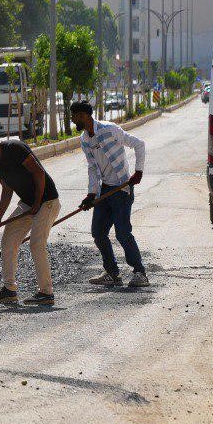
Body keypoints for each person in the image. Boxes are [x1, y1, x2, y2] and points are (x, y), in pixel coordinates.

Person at [0, 124, 61, 306]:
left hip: (47, 201)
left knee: (36, 244)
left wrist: (36, 204)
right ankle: (9, 290)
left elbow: (39, 173)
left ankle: (46, 292)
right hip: (27, 204)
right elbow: (7, 190)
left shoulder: (15, 148)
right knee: (9, 239)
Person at [69, 101, 149, 287]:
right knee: (98, 233)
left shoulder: (110, 130)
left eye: (74, 116)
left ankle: (140, 273)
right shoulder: (85, 140)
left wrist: (138, 171)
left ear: (84, 115)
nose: (72, 120)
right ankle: (112, 273)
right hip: (105, 189)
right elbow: (92, 168)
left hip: (122, 187)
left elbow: (139, 144)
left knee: (122, 233)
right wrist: (91, 194)